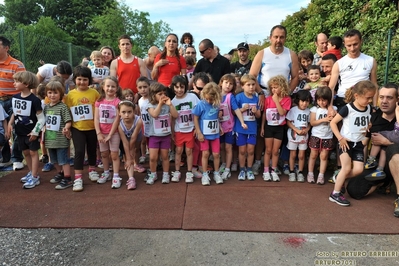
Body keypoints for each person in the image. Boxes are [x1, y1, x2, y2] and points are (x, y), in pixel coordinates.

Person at [345, 84, 398, 202]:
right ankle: (382, 181)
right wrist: (361, 165)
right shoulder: (371, 117)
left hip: (395, 162)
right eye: (381, 97)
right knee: (354, 189)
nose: (384, 101)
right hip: (377, 165)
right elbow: (363, 143)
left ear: (397, 100)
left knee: (393, 150)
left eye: (389, 98)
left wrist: (386, 142)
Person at [329, 80, 377, 206]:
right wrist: (340, 138)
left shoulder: (369, 109)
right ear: (357, 96)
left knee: (358, 170)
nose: (370, 101)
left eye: (372, 98)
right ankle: (335, 193)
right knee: (346, 167)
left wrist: (368, 125)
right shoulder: (347, 108)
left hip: (358, 144)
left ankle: (339, 178)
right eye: (368, 98)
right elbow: (333, 123)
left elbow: (366, 122)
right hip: (345, 142)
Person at [64, 66, 100, 192]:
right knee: (79, 151)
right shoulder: (71, 95)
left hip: (92, 127)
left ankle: (92, 169)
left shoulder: (94, 93)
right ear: (74, 80)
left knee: (92, 149)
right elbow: (67, 111)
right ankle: (78, 178)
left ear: (89, 80)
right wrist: (67, 127)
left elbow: (98, 109)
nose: (82, 82)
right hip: (77, 128)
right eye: (79, 79)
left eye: (85, 79)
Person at [9, 71, 43, 189]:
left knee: (33, 153)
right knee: (26, 153)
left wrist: (35, 131)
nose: (14, 83)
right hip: (19, 132)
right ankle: (31, 172)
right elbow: (15, 112)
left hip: (31, 132)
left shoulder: (35, 100)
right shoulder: (15, 97)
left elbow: (41, 118)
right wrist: (10, 124)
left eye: (17, 81)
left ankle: (35, 177)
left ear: (26, 84)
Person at [329, 29, 378, 110]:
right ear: (344, 44)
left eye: (355, 44)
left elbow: (374, 85)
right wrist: (330, 107)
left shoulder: (370, 61)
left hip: (364, 102)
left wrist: (375, 106)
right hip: (343, 101)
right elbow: (331, 87)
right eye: (349, 45)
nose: (352, 48)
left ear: (361, 41)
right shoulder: (339, 63)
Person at [0, 36, 26, 169]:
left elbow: (24, 83)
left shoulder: (17, 65)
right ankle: (5, 158)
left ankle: (16, 158)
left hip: (14, 100)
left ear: (6, 48)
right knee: (1, 130)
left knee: (16, 128)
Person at [260, 75, 291, 181]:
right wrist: (262, 127)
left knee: (275, 150)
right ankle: (265, 170)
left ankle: (273, 170)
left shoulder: (287, 99)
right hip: (269, 127)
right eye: (272, 87)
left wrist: (277, 101)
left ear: (282, 87)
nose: (273, 89)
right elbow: (264, 114)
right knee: (268, 150)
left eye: (276, 87)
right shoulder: (268, 99)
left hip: (279, 128)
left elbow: (282, 113)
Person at [146, 82, 178, 185]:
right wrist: (160, 104)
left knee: (165, 156)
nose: (163, 96)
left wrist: (170, 105)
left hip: (165, 135)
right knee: (153, 157)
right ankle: (153, 174)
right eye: (160, 94)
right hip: (154, 136)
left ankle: (165, 174)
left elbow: (175, 115)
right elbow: (154, 114)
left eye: (164, 93)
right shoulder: (150, 105)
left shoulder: (167, 104)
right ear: (153, 95)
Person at [43, 80, 73, 189]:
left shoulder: (62, 107)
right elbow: (44, 121)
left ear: (60, 94)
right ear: (46, 94)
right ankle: (60, 173)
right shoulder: (46, 107)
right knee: (54, 160)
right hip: (50, 138)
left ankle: (68, 178)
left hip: (60, 139)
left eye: (55, 93)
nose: (52, 95)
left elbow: (68, 121)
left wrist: (66, 128)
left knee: (63, 160)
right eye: (50, 92)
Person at [192, 82, 223, 185]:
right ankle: (205, 174)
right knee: (205, 153)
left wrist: (220, 126)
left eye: (211, 99)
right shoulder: (201, 104)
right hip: (204, 134)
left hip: (215, 133)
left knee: (216, 154)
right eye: (207, 98)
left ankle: (216, 173)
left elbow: (215, 117)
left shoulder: (217, 104)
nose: (209, 101)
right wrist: (199, 132)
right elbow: (195, 117)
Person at [94, 76, 122, 187]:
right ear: (103, 87)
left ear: (117, 88)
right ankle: (106, 173)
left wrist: (110, 134)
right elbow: (96, 118)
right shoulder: (99, 101)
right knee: (104, 154)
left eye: (113, 86)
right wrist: (99, 133)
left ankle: (116, 175)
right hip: (101, 133)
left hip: (113, 133)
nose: (110, 89)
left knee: (114, 155)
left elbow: (117, 119)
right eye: (108, 86)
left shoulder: (117, 102)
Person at [171, 75, 199, 183]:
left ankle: (189, 172)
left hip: (190, 129)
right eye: (177, 87)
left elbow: (198, 112)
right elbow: (173, 118)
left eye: (181, 87)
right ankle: (177, 171)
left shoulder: (192, 97)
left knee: (189, 151)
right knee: (178, 150)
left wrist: (197, 128)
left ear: (186, 87)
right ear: (173, 87)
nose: (179, 90)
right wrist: (172, 131)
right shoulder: (173, 102)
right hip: (179, 130)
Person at [218, 74, 246, 180]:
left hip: (229, 127)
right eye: (226, 82)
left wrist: (242, 122)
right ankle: (223, 163)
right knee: (221, 147)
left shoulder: (231, 97)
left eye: (231, 84)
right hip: (219, 127)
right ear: (221, 83)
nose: (228, 85)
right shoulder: (216, 95)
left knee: (228, 147)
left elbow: (237, 110)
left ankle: (227, 169)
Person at [235, 74, 260, 181]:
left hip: (252, 128)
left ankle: (249, 169)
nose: (251, 87)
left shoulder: (256, 98)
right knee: (242, 150)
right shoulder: (239, 97)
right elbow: (233, 112)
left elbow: (259, 115)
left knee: (250, 150)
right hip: (241, 128)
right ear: (242, 86)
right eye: (248, 85)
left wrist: (255, 112)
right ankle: (242, 169)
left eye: (253, 84)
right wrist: (242, 109)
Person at [308, 87, 335, 185]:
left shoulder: (333, 109)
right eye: (319, 100)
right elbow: (312, 122)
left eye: (324, 100)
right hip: (316, 135)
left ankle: (321, 175)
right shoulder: (314, 109)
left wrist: (331, 112)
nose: (321, 102)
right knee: (313, 154)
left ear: (328, 100)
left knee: (324, 156)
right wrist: (323, 120)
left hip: (327, 136)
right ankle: (310, 173)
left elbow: (335, 120)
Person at [110, 35, 147, 101]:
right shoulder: (115, 62)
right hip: (121, 96)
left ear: (131, 45)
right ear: (119, 46)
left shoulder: (139, 61)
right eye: (123, 44)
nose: (125, 46)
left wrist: (139, 94)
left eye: (127, 44)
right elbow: (113, 82)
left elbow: (145, 80)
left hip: (136, 96)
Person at [286, 90, 312, 182]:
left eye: (307, 101)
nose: (304, 104)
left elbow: (310, 123)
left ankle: (300, 172)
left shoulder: (309, 111)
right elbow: (288, 121)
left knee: (301, 155)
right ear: (298, 100)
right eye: (302, 101)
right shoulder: (293, 110)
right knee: (293, 154)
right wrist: (295, 129)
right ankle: (292, 171)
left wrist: (307, 129)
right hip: (293, 135)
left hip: (304, 136)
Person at [152, 33, 187, 99]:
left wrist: (175, 85)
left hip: (174, 90)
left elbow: (184, 77)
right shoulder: (159, 57)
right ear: (165, 43)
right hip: (161, 90)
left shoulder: (181, 59)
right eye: (169, 41)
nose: (171, 43)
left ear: (177, 45)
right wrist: (156, 65)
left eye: (174, 41)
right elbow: (153, 77)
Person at [118, 100, 143, 190]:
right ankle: (131, 178)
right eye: (123, 112)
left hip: (137, 136)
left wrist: (131, 153)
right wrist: (128, 158)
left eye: (129, 112)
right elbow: (125, 142)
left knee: (135, 150)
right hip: (126, 136)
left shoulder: (139, 121)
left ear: (134, 112)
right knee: (128, 154)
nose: (127, 115)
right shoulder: (119, 123)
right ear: (119, 113)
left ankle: (136, 163)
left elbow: (133, 139)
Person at [137, 77, 151, 165]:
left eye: (145, 87)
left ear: (149, 87)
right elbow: (140, 113)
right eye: (140, 87)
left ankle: (157, 159)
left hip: (153, 125)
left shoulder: (152, 99)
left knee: (152, 143)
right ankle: (143, 155)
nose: (143, 90)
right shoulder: (140, 100)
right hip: (144, 124)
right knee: (143, 141)